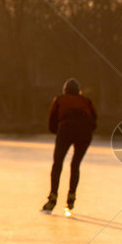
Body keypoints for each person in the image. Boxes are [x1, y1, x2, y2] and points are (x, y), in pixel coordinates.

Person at [41, 78, 97, 214]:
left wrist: (58, 131)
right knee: (75, 164)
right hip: (85, 132)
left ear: (65, 91)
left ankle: (52, 198)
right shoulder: (86, 101)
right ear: (79, 91)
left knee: (58, 163)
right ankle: (71, 199)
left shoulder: (59, 100)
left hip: (66, 129)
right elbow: (94, 120)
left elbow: (52, 121)